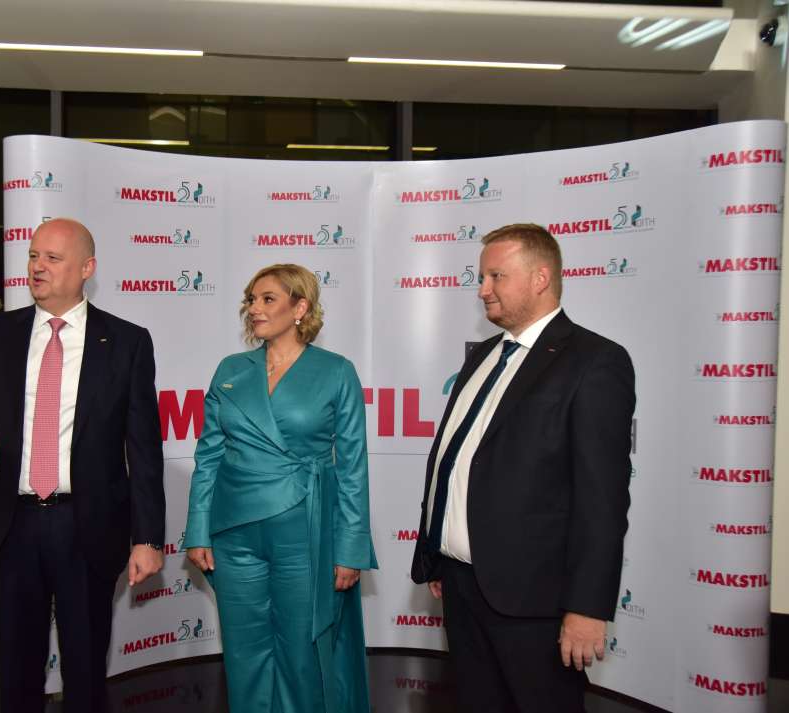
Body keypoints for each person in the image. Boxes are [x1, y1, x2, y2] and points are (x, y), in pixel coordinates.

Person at [0, 217, 165, 713]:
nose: (37, 267)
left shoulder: (126, 341)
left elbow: (144, 447)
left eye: (52, 258)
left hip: (88, 526)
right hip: (8, 524)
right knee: (15, 673)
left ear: (87, 268)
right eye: (33, 256)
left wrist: (148, 538)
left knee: (86, 672)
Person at [410, 223, 635, 713]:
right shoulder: (483, 357)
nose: (482, 289)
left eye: (496, 276)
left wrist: (586, 608)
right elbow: (456, 458)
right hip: (462, 585)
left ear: (540, 278)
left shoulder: (595, 361)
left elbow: (602, 501)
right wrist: (437, 552)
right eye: (481, 276)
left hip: (535, 601)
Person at [185, 263, 377, 713]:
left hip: (304, 532)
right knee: (244, 653)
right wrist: (197, 529)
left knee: (300, 654)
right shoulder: (231, 369)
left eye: (267, 299)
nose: (254, 308)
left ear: (300, 307)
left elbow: (353, 467)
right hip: (233, 531)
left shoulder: (336, 371)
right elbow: (208, 455)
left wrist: (350, 548)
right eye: (251, 300)